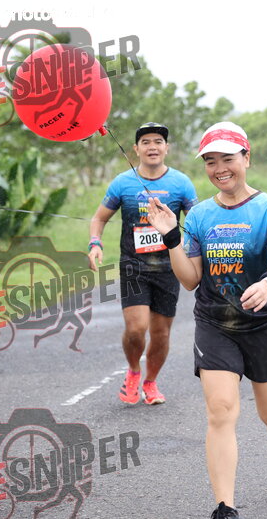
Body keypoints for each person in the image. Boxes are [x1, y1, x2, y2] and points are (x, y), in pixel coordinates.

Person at [146, 122, 267, 519]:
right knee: (220, 411)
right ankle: (225, 507)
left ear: (246, 158)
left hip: (265, 322)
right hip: (216, 323)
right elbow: (189, 279)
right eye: (210, 161)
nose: (219, 168)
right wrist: (171, 237)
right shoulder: (200, 215)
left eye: (227, 159)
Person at [88, 122, 197, 405]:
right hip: (133, 267)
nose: (152, 147)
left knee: (161, 333)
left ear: (166, 148)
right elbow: (99, 218)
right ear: (136, 149)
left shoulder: (181, 183)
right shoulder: (123, 183)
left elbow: (196, 222)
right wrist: (95, 243)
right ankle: (134, 370)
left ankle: (150, 382)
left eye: (158, 141)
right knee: (136, 328)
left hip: (168, 269)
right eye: (146, 142)